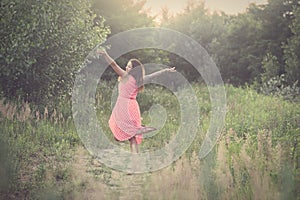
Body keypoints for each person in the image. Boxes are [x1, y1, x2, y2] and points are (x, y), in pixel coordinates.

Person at [97, 49, 175, 153]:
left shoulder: (125, 76)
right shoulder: (140, 80)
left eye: (129, 66)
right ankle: (136, 153)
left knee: (125, 130)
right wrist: (165, 71)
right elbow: (153, 76)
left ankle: (140, 133)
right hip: (133, 106)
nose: (126, 67)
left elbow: (114, 65)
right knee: (132, 135)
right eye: (127, 65)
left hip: (124, 106)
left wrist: (105, 54)